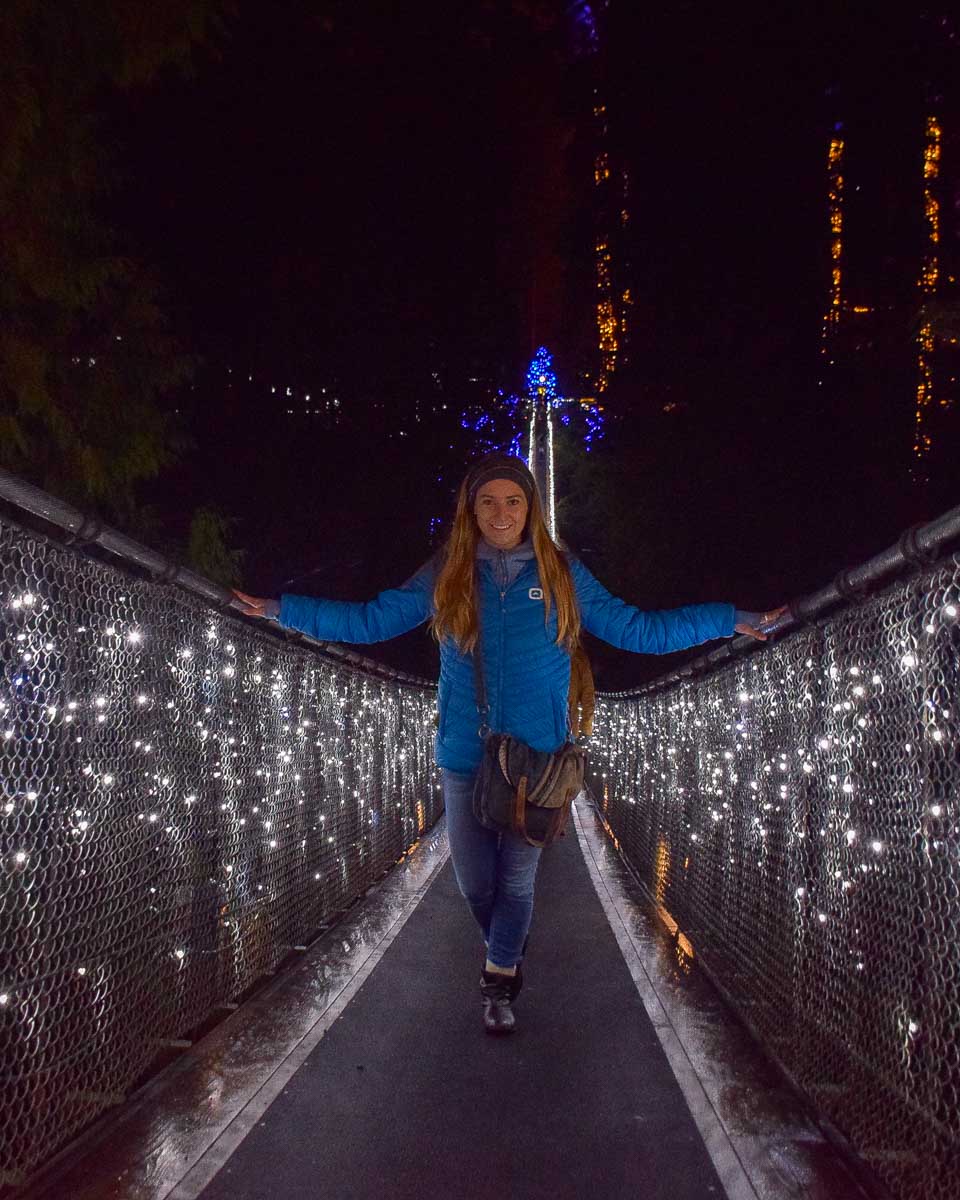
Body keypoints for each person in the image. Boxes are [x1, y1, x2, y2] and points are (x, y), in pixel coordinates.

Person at [234, 452, 785, 1036]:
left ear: (531, 508)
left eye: (514, 501)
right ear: (471, 511)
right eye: (488, 502)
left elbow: (639, 630)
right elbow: (372, 621)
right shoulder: (448, 572)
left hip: (538, 760)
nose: (501, 513)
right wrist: (280, 610)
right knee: (476, 882)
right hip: (466, 756)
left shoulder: (560, 574)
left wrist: (730, 619)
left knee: (517, 881)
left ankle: (499, 979)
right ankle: (507, 944)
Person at [568, 644, 595, 740]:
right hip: (567, 725)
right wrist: (586, 728)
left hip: (543, 723)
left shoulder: (578, 658)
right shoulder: (578, 658)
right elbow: (588, 694)